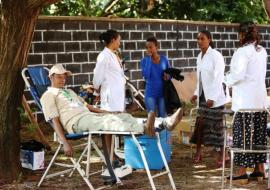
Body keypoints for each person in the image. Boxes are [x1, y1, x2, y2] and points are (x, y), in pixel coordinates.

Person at [40, 64, 183, 157]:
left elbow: (88, 106)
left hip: (88, 116)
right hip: (76, 122)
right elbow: (54, 120)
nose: (63, 80)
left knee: (122, 116)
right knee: (111, 122)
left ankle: (164, 122)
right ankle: (144, 128)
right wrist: (64, 142)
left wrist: (107, 112)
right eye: (59, 77)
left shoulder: (69, 91)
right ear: (50, 77)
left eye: (64, 77)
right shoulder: (48, 95)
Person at [225, 22, 268, 183]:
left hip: (244, 103)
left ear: (242, 35)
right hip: (260, 101)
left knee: (242, 136)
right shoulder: (262, 51)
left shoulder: (241, 52)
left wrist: (225, 79)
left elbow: (237, 75)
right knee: (258, 136)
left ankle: (242, 172)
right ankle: (259, 170)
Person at [190, 30, 227, 166]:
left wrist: (212, 97)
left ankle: (223, 155)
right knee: (200, 125)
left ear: (209, 40)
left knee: (216, 128)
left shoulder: (216, 56)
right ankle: (198, 153)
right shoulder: (199, 56)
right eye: (198, 39)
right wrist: (195, 93)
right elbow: (200, 79)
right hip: (202, 97)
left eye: (202, 39)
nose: (199, 41)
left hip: (215, 98)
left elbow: (219, 78)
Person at [140, 36, 171, 135]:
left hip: (162, 93)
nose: (148, 49)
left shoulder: (164, 59)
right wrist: (149, 59)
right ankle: (153, 139)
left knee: (163, 117)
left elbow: (171, 74)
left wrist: (168, 76)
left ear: (156, 47)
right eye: (147, 47)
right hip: (150, 94)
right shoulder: (144, 61)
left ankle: (164, 139)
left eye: (151, 47)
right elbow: (146, 75)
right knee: (152, 118)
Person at [93, 29, 125, 112]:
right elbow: (97, 76)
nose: (119, 43)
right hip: (110, 97)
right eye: (119, 40)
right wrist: (97, 91)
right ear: (113, 40)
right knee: (111, 120)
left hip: (118, 95)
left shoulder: (113, 54)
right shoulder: (104, 56)